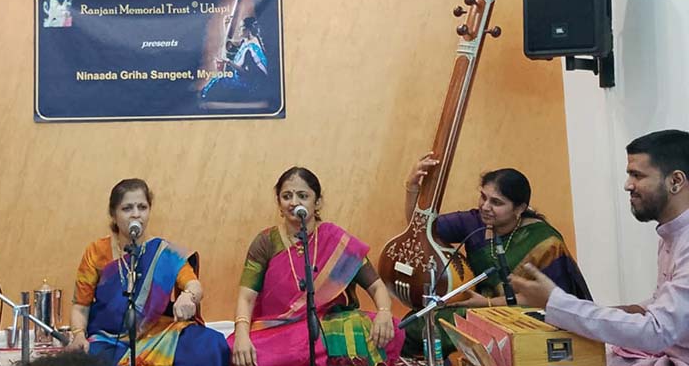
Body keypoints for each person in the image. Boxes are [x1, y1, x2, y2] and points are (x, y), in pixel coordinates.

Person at [511, 129, 689, 366]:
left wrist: (558, 303)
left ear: (675, 181)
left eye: (637, 175)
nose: (628, 185)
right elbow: (662, 307)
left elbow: (658, 331)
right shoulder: (671, 234)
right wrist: (616, 311)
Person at [400, 154, 591, 356]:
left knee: (439, 329)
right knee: (412, 326)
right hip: (476, 308)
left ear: (520, 208)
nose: (485, 206)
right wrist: (411, 186)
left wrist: (488, 304)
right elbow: (419, 229)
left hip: (523, 317)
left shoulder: (545, 241)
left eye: (496, 202)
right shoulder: (473, 222)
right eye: (483, 196)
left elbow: (549, 300)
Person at [230, 167, 403, 366]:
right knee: (238, 352)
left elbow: (376, 286)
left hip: (326, 326)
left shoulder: (336, 240)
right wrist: (242, 335)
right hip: (277, 331)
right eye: (287, 196)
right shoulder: (266, 242)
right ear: (279, 203)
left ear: (317, 202)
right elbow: (246, 296)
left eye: (302, 196)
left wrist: (384, 311)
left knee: (388, 330)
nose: (294, 202)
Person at [66, 178, 229, 366]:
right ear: (113, 214)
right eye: (127, 208)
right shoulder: (96, 252)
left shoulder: (164, 252)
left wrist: (189, 296)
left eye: (142, 207)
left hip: (157, 335)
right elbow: (80, 306)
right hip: (109, 338)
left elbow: (194, 284)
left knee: (210, 344)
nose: (136, 215)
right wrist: (78, 335)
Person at [201, 16, 269, 102]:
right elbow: (227, 43)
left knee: (216, 83)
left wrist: (229, 62)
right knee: (215, 80)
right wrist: (225, 25)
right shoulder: (246, 41)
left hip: (246, 85)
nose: (238, 30)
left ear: (248, 30)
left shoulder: (252, 48)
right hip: (238, 79)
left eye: (241, 27)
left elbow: (247, 74)